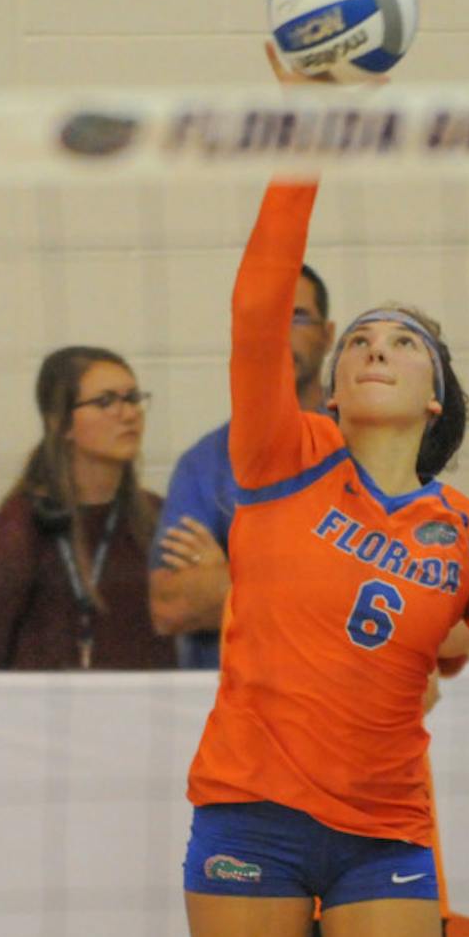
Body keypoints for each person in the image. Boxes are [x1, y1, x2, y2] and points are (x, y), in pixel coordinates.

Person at [182, 172, 469, 937]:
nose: (375, 348)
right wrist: (300, 142)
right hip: (251, 813)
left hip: (385, 837)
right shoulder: (283, 454)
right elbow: (257, 309)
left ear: (433, 393)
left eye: (402, 342)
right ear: (329, 387)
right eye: (358, 339)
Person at [149, 262, 334, 670]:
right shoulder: (204, 465)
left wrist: (230, 575)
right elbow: (171, 604)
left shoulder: (373, 448)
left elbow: (408, 596)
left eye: (297, 317)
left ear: (328, 335)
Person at [0, 345, 175, 671]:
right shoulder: (18, 530)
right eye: (105, 401)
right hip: (42, 718)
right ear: (60, 422)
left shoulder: (158, 516)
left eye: (133, 398)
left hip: (148, 714)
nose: (128, 414)